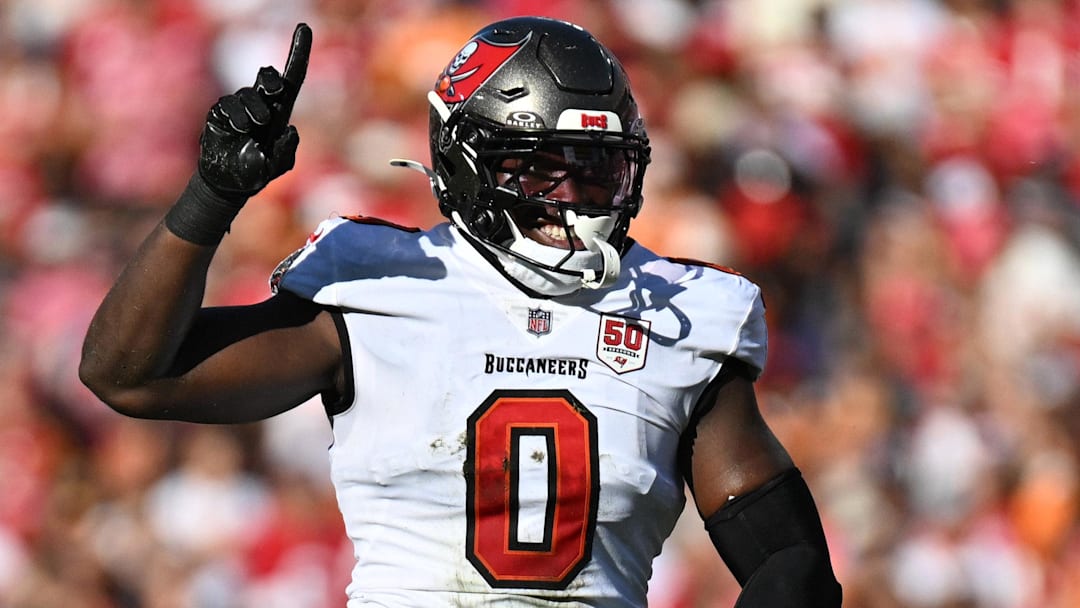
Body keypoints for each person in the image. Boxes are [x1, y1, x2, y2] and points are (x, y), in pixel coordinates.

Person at [80, 16, 842, 607]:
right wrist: (212, 196)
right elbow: (129, 375)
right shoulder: (378, 286)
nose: (572, 198)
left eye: (594, 169)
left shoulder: (679, 314)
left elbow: (786, 556)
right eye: (539, 168)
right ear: (465, 165)